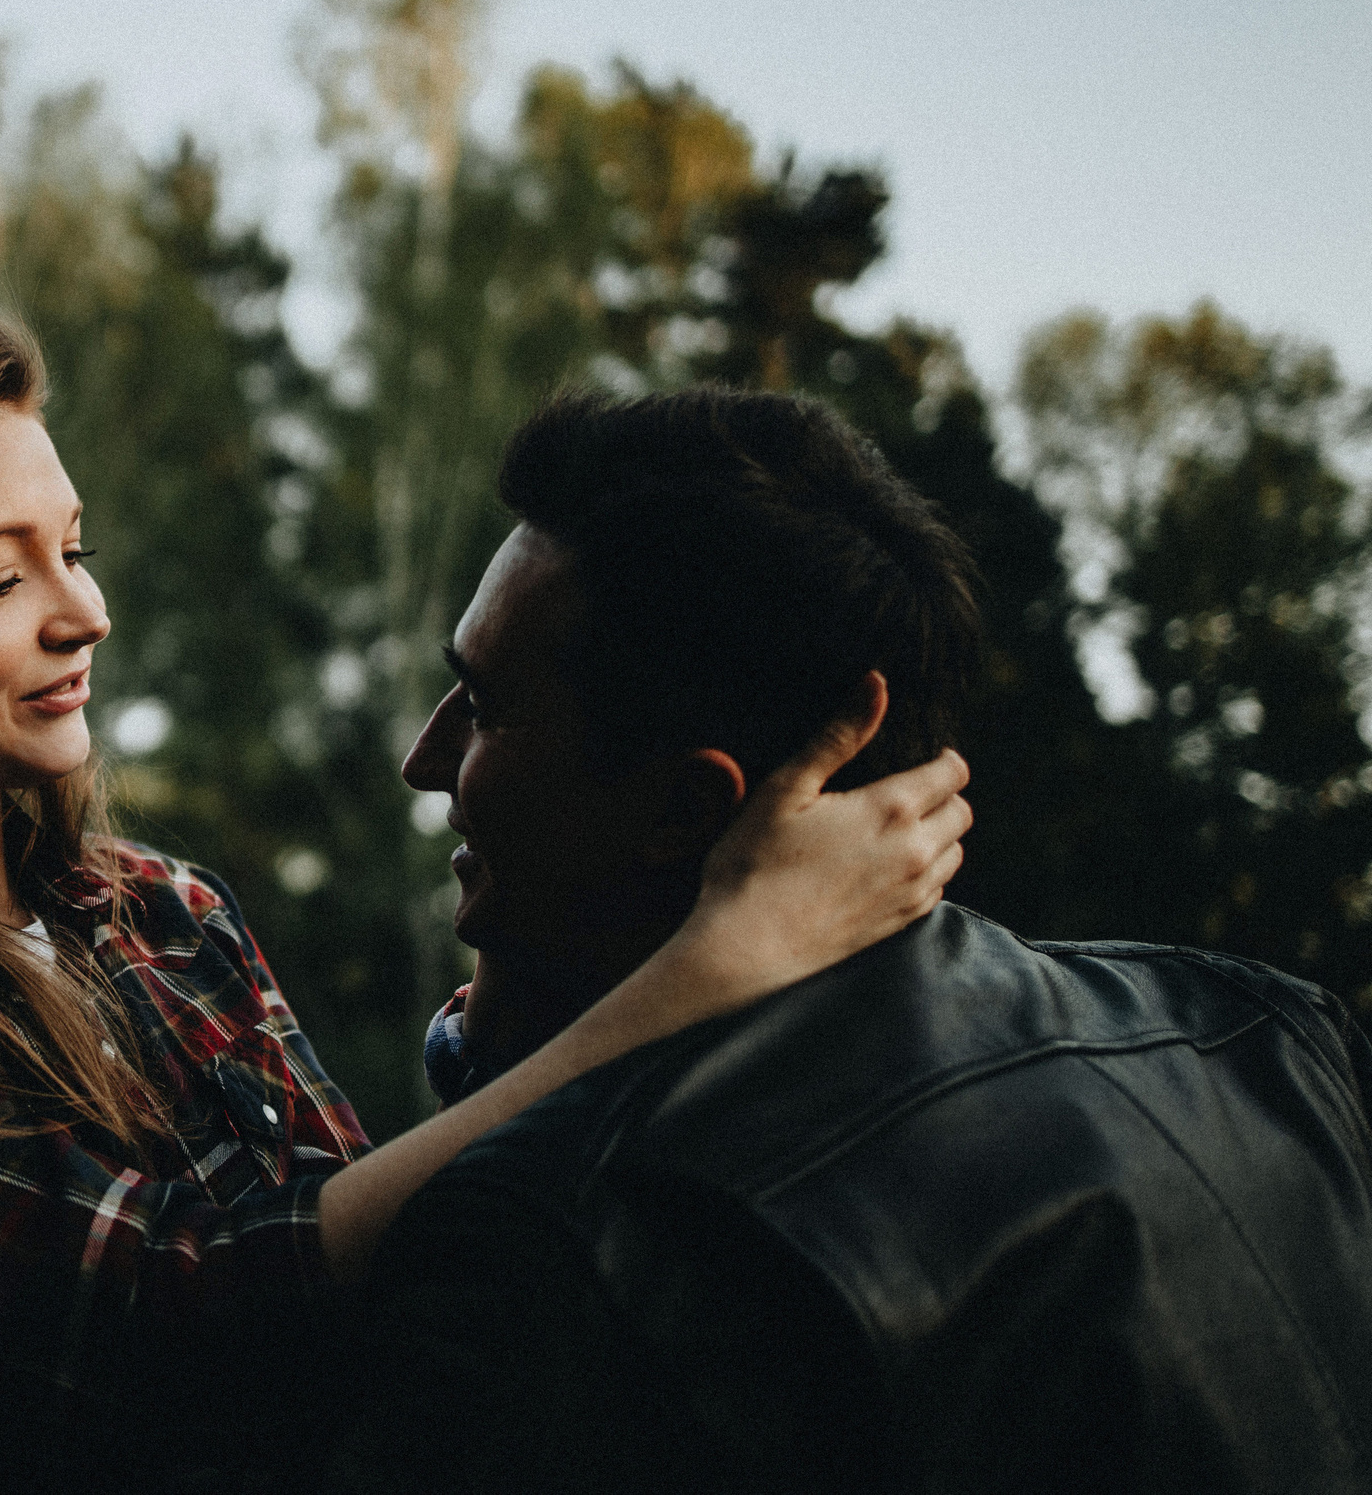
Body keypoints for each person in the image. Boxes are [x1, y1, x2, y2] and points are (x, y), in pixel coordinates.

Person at [0, 308, 971, 1493]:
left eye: (73, 548)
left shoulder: (160, 910)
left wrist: (507, 1064)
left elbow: (359, 1266)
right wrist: (713, 971)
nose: (82, 609)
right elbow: (184, 1324)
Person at [340, 386, 1372, 1494]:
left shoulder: (562, 1249)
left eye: (486, 706)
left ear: (686, 814)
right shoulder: (1267, 1036)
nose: (424, 759)